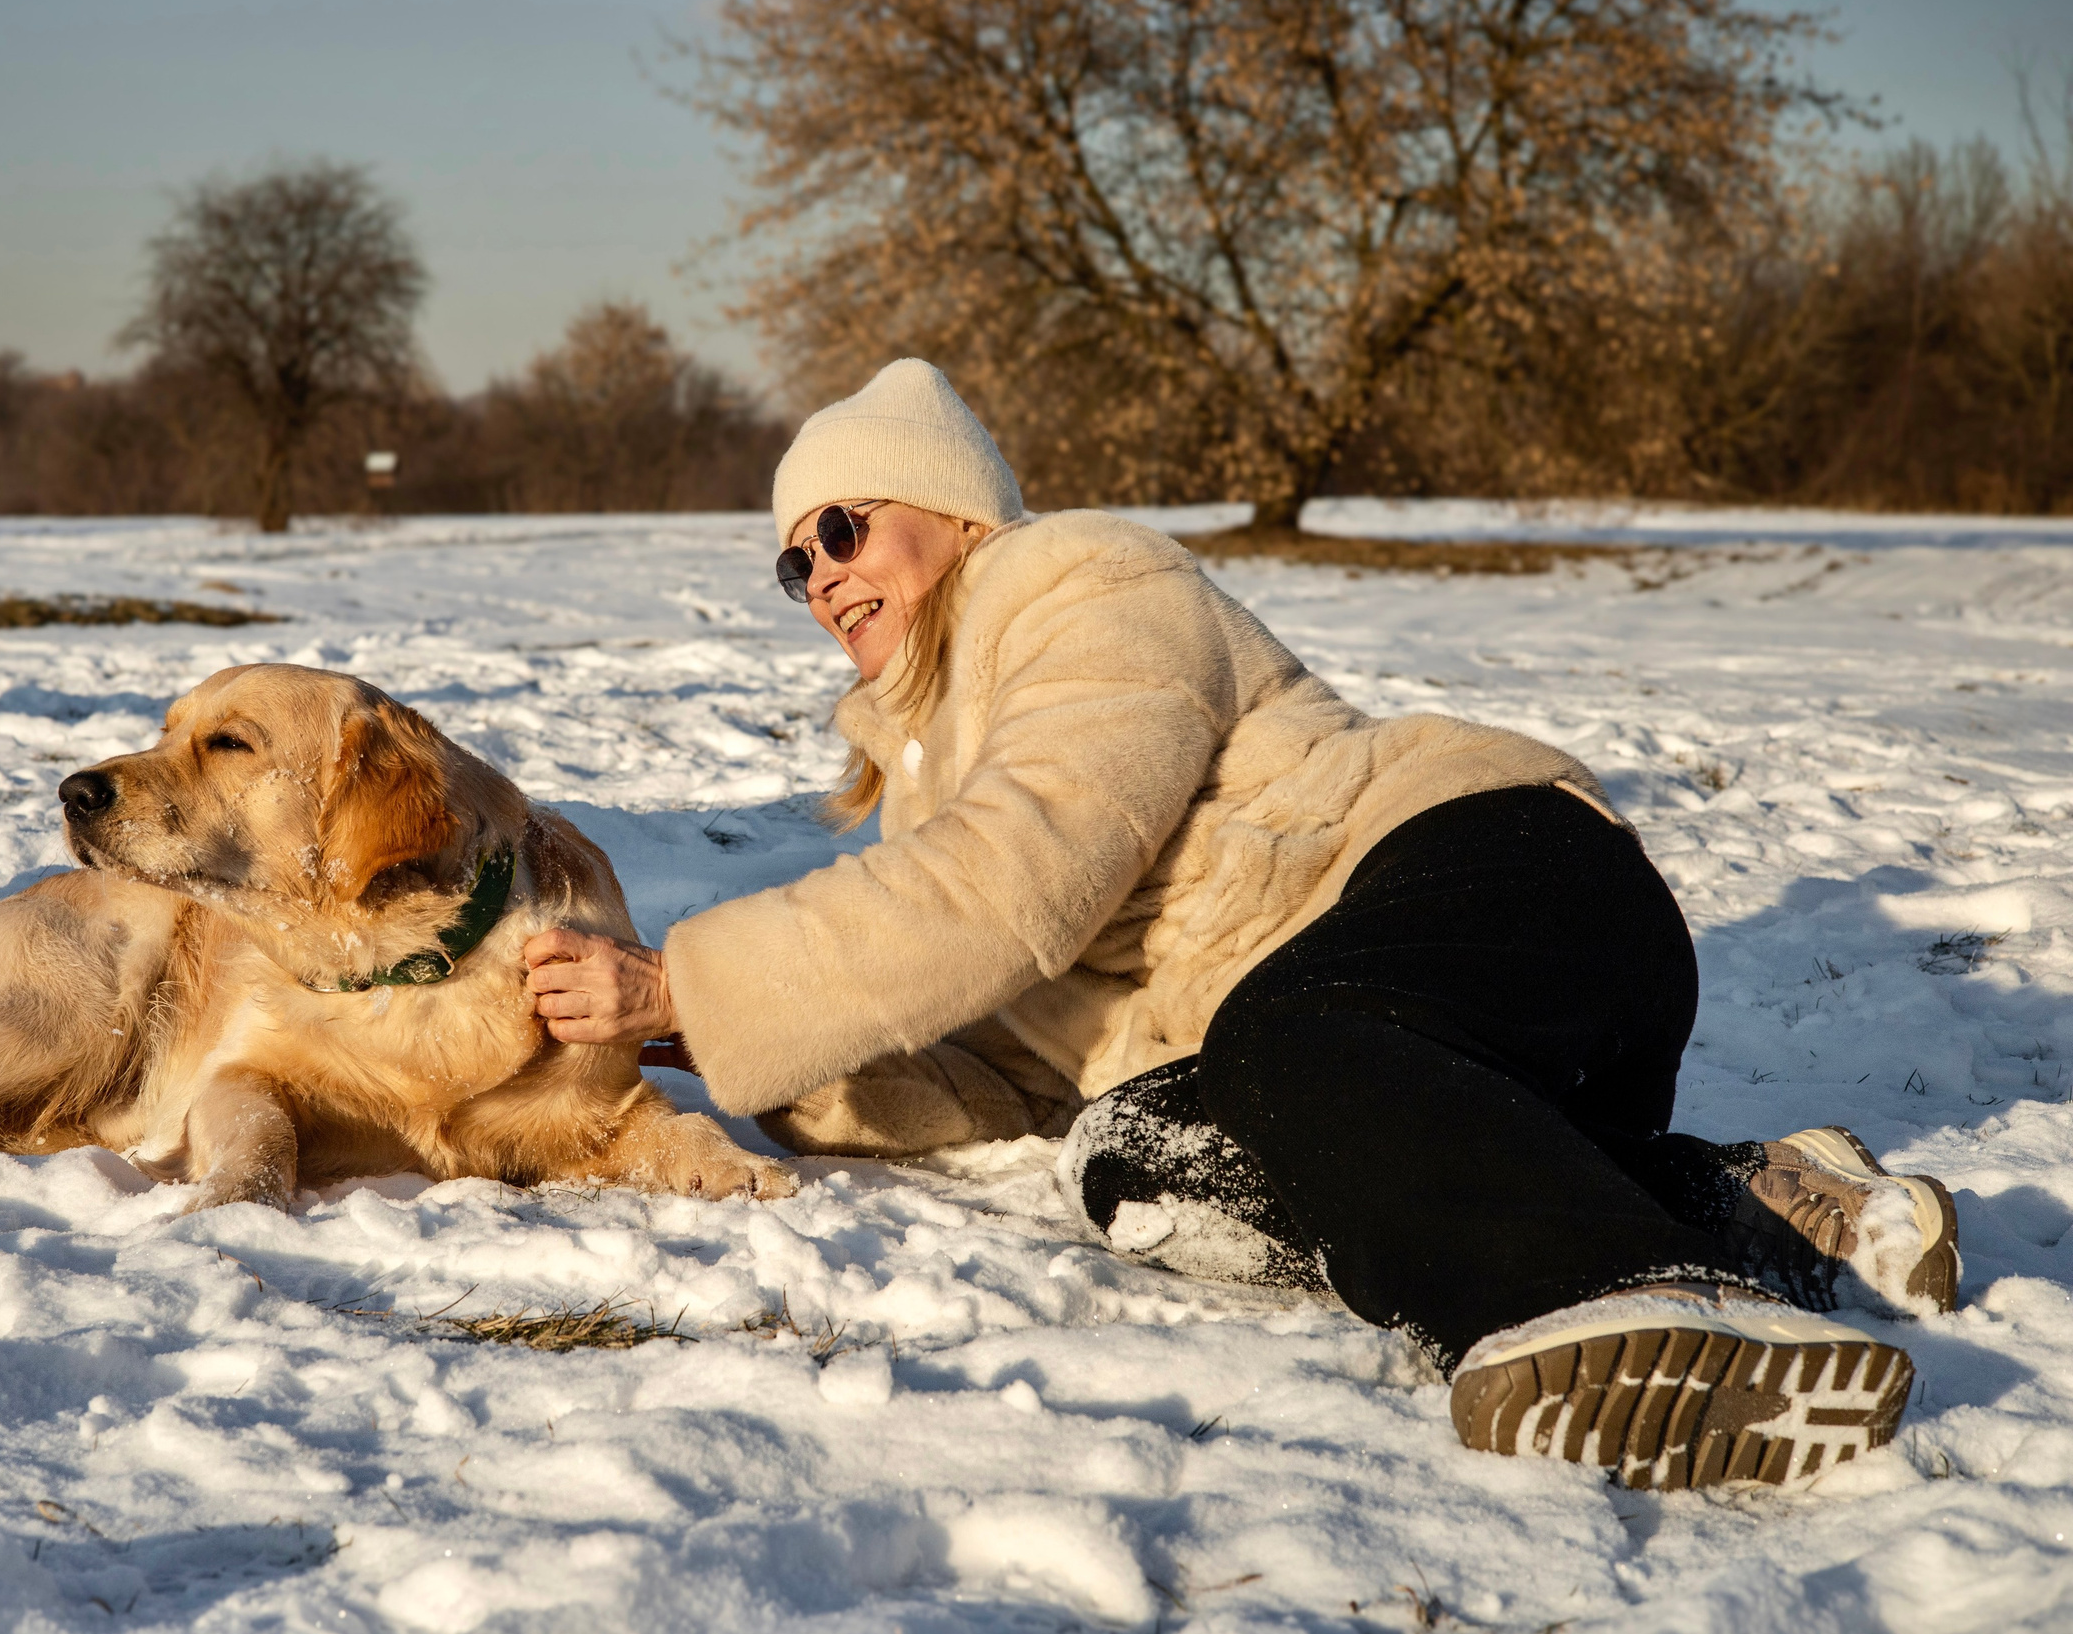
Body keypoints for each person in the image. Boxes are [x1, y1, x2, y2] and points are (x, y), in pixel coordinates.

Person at [524, 359, 1961, 1490]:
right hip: (1412, 1062)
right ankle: (1745, 1200)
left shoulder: (1085, 588)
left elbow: (1017, 873)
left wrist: (694, 982)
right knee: (1132, 1156)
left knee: (1292, 1042)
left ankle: (1631, 1300)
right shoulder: (923, 805)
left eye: (840, 527)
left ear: (952, 511)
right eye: (796, 564)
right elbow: (1017, 1076)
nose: (823, 576)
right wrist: (757, 1054)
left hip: (1507, 878)